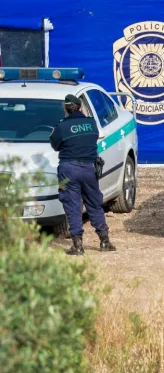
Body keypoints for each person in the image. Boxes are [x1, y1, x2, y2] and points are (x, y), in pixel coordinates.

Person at [50, 94, 115, 255]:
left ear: (65, 109)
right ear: (80, 107)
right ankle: (104, 241)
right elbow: (93, 139)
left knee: (72, 206)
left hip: (68, 169)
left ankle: (78, 246)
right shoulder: (91, 123)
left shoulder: (62, 126)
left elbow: (55, 145)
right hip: (89, 169)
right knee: (94, 204)